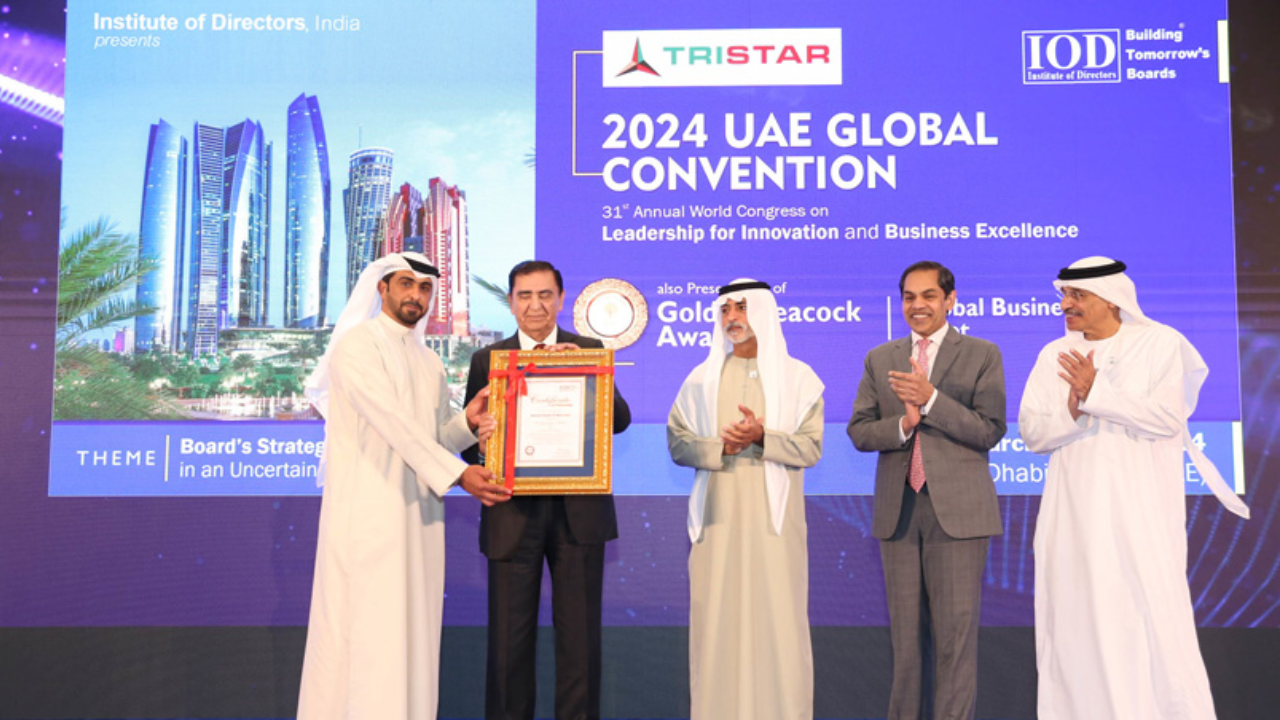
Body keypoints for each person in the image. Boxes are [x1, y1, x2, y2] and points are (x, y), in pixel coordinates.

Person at [1019, 256, 1249, 720]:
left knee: (1148, 624)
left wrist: (1097, 392)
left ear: (1111, 298)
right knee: (1075, 626)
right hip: (1072, 518)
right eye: (1063, 295)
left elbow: (1167, 418)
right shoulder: (1053, 354)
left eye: (1077, 295)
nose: (1065, 304)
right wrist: (1074, 408)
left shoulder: (1159, 343)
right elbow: (1032, 433)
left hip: (1139, 516)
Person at [297, 252, 512, 720]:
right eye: (406, 284)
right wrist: (460, 475)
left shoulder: (428, 361)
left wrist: (468, 422)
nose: (416, 295)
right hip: (370, 515)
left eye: (425, 287)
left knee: (413, 636)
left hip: (419, 518)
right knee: (367, 636)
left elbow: (434, 437)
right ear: (383, 289)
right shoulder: (358, 345)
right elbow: (391, 422)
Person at [462, 260, 631, 720]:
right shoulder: (488, 359)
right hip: (511, 514)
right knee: (508, 644)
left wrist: (585, 373)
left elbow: (619, 421)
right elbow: (469, 446)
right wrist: (482, 440)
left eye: (544, 295)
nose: (535, 305)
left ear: (560, 300)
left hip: (579, 515)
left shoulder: (589, 349)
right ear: (511, 302)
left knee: (579, 642)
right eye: (524, 295)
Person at [848, 260, 1005, 720]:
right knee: (905, 645)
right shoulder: (881, 358)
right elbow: (859, 431)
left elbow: (989, 429)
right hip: (898, 513)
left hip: (959, 517)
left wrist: (931, 400)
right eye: (909, 297)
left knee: (955, 642)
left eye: (929, 296)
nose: (918, 306)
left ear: (950, 300)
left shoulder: (982, 353)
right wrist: (903, 423)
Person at [667, 279, 824, 720]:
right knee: (718, 623)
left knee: (778, 624)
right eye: (725, 310)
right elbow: (677, 442)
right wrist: (720, 448)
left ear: (764, 312)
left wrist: (761, 437)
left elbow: (810, 448)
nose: (732, 317)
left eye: (741, 307)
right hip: (717, 524)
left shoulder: (799, 380)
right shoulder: (699, 380)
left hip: (775, 528)